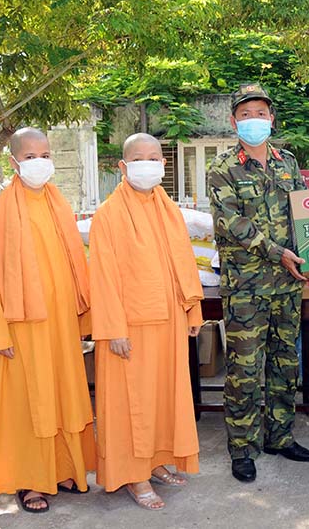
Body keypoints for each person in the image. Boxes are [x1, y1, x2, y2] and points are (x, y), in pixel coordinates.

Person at [0, 127, 95, 513]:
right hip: (22, 327)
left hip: (60, 323)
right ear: (13, 163)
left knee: (63, 396)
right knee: (31, 403)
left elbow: (76, 264)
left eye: (45, 155)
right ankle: (30, 480)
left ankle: (63, 470)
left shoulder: (60, 204)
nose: (40, 162)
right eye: (30, 157)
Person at [88, 133, 204, 509]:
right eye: (139, 158)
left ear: (164, 164)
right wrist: (113, 329)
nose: (148, 164)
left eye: (155, 158)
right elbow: (102, 276)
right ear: (123, 166)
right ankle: (133, 476)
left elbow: (183, 265)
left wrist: (192, 309)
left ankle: (156, 462)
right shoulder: (109, 213)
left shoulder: (167, 208)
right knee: (131, 403)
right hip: (129, 326)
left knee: (163, 397)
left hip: (167, 320)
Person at [208, 83, 309, 483]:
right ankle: (242, 448)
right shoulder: (222, 168)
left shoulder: (288, 163)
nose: (255, 120)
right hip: (247, 288)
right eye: (246, 114)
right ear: (234, 121)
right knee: (244, 371)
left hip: (288, 285)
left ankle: (280, 436)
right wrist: (278, 251)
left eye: (261, 113)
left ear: (272, 119)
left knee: (285, 365)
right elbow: (231, 224)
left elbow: (305, 215)